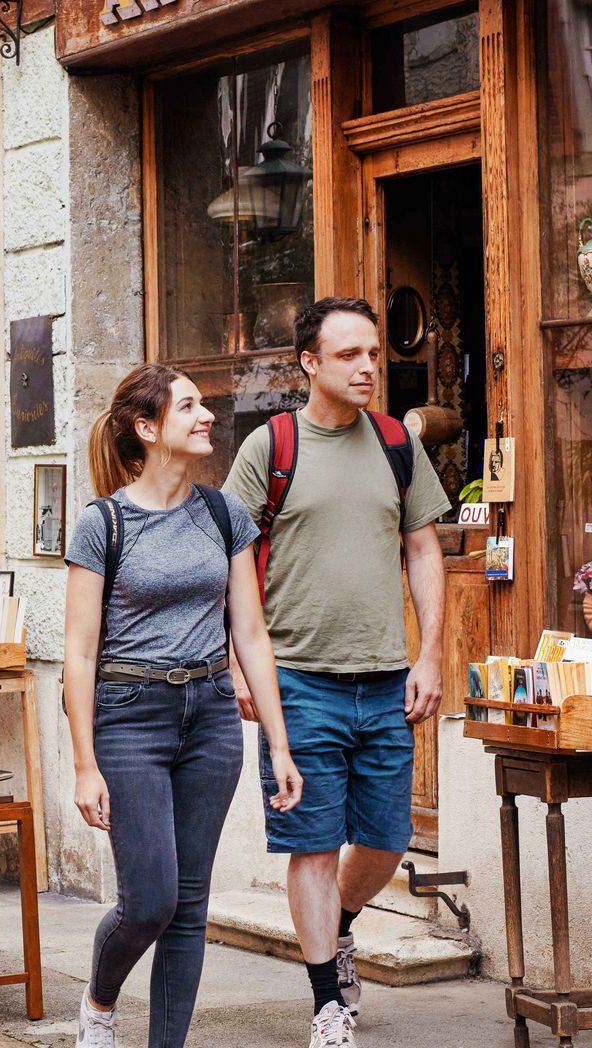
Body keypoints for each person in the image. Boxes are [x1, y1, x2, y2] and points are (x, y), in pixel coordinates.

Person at [222, 297, 451, 1048]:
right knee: (312, 844)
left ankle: (342, 927)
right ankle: (328, 1002)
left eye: (375, 354)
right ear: (310, 364)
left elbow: (423, 550)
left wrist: (430, 653)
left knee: (386, 841)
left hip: (386, 680)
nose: (367, 368)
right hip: (297, 680)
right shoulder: (271, 446)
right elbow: (229, 563)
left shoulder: (396, 443)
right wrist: (237, 661)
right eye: (349, 355)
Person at [63, 363, 303, 1048]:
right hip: (129, 715)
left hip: (211, 717)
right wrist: (86, 764)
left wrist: (278, 746)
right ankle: (100, 1004)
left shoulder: (223, 513)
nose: (207, 416)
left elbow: (251, 634)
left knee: (190, 906)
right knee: (151, 901)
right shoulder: (103, 523)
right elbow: (79, 653)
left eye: (204, 404)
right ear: (147, 428)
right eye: (190, 406)